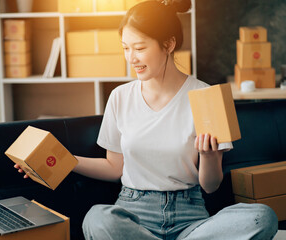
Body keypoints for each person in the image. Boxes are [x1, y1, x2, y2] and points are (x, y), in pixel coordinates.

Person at [16, 0, 278, 239]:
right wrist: (61, 161)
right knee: (97, 219)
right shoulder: (120, 97)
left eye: (140, 48)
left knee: (261, 217)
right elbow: (114, 167)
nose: (131, 58)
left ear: (169, 44)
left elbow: (211, 186)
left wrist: (209, 156)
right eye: (126, 48)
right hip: (133, 214)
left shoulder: (205, 96)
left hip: (190, 217)